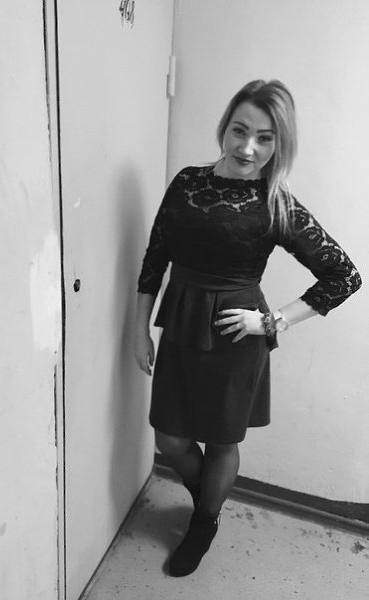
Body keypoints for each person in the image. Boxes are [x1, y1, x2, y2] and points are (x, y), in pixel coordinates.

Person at [134, 79, 362, 577]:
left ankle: (203, 523)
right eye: (240, 131)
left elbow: (344, 275)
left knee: (221, 440)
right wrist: (138, 327)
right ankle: (208, 503)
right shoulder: (188, 182)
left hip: (236, 335)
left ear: (280, 143)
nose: (248, 147)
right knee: (170, 437)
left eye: (265, 138)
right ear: (225, 127)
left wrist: (273, 321)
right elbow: (156, 256)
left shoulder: (276, 202)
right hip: (181, 322)